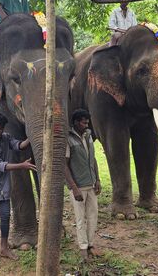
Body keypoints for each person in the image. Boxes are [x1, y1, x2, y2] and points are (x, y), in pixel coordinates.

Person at [0, 112, 35, 263]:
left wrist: (32, 136)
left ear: (3, 128)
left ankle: (4, 248)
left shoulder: (6, 138)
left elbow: (19, 146)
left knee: (5, 217)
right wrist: (23, 165)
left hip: (3, 187)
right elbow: (0, 165)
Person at [65, 109, 101, 261]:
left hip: (91, 184)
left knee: (93, 216)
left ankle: (91, 245)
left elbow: (93, 159)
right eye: (83, 122)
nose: (86, 125)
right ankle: (82, 249)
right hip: (78, 187)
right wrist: (74, 188)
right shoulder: (68, 139)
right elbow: (64, 165)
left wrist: (97, 179)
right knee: (80, 219)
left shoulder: (88, 135)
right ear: (75, 122)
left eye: (87, 122)